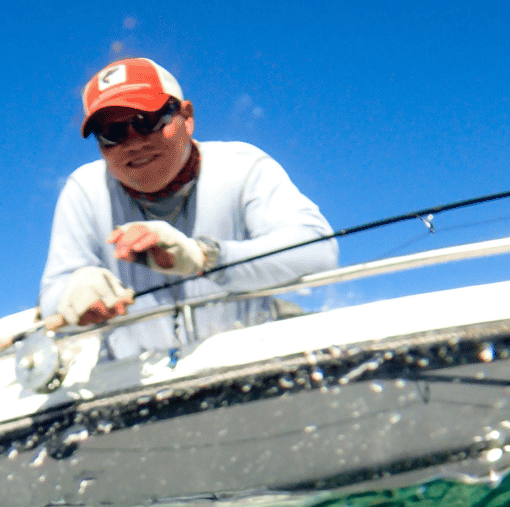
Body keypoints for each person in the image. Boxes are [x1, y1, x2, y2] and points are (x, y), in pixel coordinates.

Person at [38, 57, 338, 360]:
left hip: (251, 361)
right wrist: (76, 293)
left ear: (187, 116)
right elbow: (52, 298)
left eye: (146, 120)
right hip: (133, 384)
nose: (133, 142)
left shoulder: (242, 166)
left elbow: (319, 252)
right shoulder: (83, 191)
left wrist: (204, 257)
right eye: (112, 133)